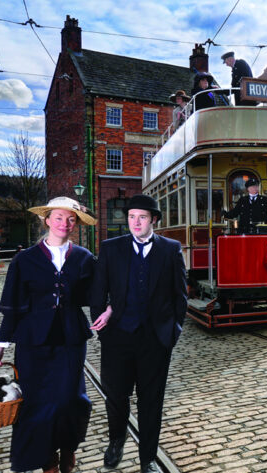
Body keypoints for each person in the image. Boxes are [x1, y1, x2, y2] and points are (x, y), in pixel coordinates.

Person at [0, 196, 97, 473]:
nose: (65, 223)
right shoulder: (24, 260)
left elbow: (98, 297)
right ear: (46, 220)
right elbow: (12, 307)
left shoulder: (84, 258)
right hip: (32, 343)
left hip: (70, 340)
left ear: (77, 224)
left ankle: (69, 448)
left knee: (70, 399)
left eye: (71, 219)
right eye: (58, 217)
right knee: (36, 404)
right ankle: (47, 461)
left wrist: (111, 311)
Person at [89, 194, 188, 473]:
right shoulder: (111, 248)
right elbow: (98, 292)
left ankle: (148, 459)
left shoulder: (170, 249)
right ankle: (116, 441)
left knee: (151, 400)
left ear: (153, 219)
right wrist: (104, 329)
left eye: (142, 217)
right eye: (131, 216)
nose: (135, 222)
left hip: (155, 340)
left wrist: (171, 335)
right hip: (118, 338)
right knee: (116, 395)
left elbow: (180, 297)